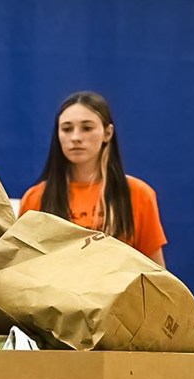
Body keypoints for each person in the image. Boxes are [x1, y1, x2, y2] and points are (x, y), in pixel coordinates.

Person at [18, 91, 167, 266]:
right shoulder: (36, 198)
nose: (75, 137)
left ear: (108, 133)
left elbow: (156, 273)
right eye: (67, 129)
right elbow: (21, 270)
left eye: (87, 128)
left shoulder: (138, 194)